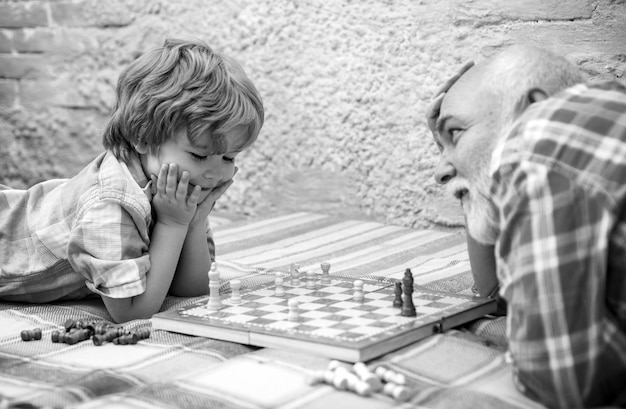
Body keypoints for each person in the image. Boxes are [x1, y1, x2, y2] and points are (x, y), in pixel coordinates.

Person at [0, 38, 264, 324]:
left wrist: (193, 222)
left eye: (229, 158)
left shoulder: (177, 189)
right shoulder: (113, 201)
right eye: (199, 156)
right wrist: (173, 224)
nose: (214, 174)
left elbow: (191, 288)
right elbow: (131, 311)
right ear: (142, 138)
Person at [427, 45, 626, 408]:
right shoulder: (602, 122)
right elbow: (498, 294)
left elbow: (565, 383)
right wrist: (467, 167)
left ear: (534, 108)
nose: (439, 171)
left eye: (455, 132)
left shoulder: (545, 145)